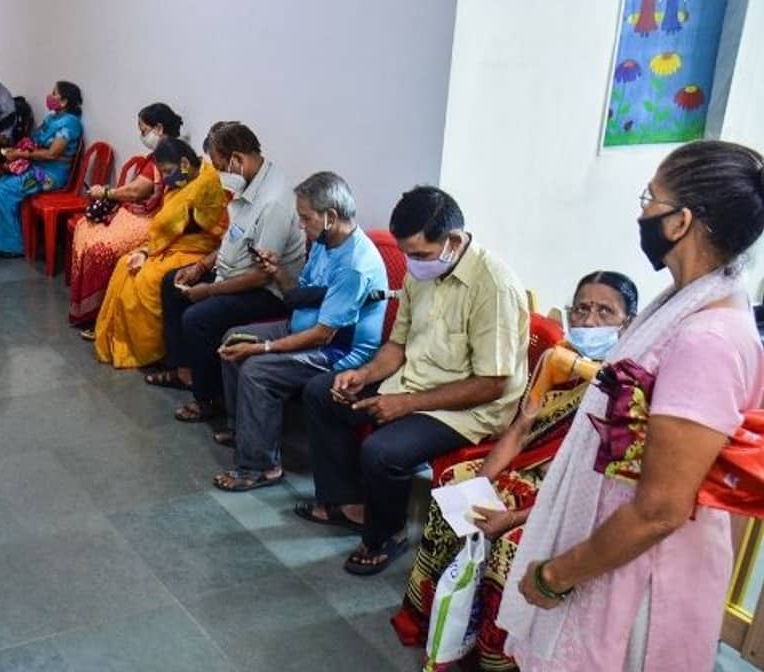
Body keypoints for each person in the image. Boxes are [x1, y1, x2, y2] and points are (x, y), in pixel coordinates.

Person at [499, 141, 764, 671]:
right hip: (616, 546)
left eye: (650, 199)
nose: (643, 213)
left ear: (680, 221)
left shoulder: (707, 339)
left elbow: (660, 509)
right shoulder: (681, 305)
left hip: (642, 570)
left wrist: (555, 575)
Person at [394, 271, 639, 672]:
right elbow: (520, 430)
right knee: (455, 486)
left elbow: (596, 484)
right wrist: (480, 483)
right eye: (582, 309)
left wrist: (513, 517)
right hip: (528, 472)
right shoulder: (557, 360)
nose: (590, 321)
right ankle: (438, 623)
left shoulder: (629, 388)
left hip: (575, 494)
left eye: (604, 312)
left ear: (628, 323)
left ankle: (495, 656)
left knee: (512, 543)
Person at [295, 185, 529, 576]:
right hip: (414, 381)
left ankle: (387, 534)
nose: (413, 264)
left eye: (420, 254)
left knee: (383, 451)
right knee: (323, 392)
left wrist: (405, 404)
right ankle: (348, 504)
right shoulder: (421, 272)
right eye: (407, 254)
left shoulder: (494, 286)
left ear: (454, 241)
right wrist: (363, 375)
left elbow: (492, 384)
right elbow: (398, 346)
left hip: (469, 408)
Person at [213, 172, 389, 491]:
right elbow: (298, 293)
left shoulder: (354, 265)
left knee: (257, 370)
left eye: (305, 218)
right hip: (301, 326)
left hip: (336, 351)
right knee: (233, 338)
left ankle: (262, 466)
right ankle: (245, 433)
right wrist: (277, 271)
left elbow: (323, 335)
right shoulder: (325, 242)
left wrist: (264, 349)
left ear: (330, 216)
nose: (301, 225)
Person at [150, 122, 307, 423]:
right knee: (172, 282)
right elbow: (233, 238)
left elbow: (263, 275)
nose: (220, 174)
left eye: (221, 167)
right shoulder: (248, 184)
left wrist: (209, 290)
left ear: (237, 159)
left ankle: (208, 399)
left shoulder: (273, 202)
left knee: (198, 317)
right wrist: (201, 267)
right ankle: (185, 371)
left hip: (266, 291)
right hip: (233, 273)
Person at [93, 138, 228, 368]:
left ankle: (151, 351)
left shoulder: (206, 185)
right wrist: (145, 252)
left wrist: (150, 253)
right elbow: (164, 229)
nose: (165, 178)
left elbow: (220, 233)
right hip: (171, 245)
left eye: (167, 171)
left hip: (198, 250)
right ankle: (120, 341)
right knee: (125, 265)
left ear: (184, 163)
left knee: (146, 280)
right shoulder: (182, 183)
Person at [70, 103, 182, 327]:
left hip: (151, 220)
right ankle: (89, 305)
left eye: (143, 130)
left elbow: (136, 191)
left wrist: (106, 192)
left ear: (159, 128)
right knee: (84, 228)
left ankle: (98, 313)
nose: (142, 136)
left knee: (99, 250)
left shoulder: (170, 157)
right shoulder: (158, 156)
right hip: (136, 212)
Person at [0, 80, 85, 258]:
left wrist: (23, 155)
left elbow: (52, 154)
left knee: (3, 189)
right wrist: (17, 150)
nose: (50, 96)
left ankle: (9, 246)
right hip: (36, 166)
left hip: (49, 175)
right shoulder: (51, 119)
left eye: (54, 93)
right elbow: (34, 140)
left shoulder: (70, 124)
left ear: (64, 101)